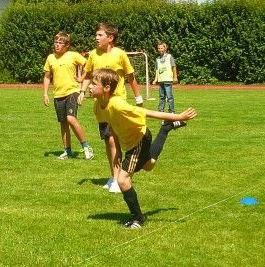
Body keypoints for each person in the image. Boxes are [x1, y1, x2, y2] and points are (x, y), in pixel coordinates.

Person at [89, 68, 197, 229]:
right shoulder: (98, 107)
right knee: (149, 165)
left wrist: (179, 116)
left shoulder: (118, 104)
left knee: (122, 180)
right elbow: (112, 126)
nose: (89, 86)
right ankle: (165, 129)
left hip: (139, 139)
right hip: (131, 143)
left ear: (106, 88)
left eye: (93, 83)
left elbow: (148, 112)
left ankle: (138, 219)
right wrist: (117, 151)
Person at [78, 22, 143, 193]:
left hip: (117, 104)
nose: (96, 38)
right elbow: (88, 76)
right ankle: (114, 176)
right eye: (96, 35)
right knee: (108, 140)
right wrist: (82, 91)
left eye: (100, 35)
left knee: (115, 140)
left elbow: (131, 77)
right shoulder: (93, 54)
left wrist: (139, 98)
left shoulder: (120, 54)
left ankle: (119, 177)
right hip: (102, 105)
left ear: (110, 37)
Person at [43, 32, 94, 160]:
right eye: (56, 42)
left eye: (60, 43)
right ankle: (67, 151)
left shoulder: (73, 55)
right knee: (63, 123)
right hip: (58, 95)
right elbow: (47, 76)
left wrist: (82, 79)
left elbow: (88, 66)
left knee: (71, 118)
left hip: (72, 91)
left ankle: (86, 146)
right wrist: (45, 93)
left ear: (67, 45)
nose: (57, 45)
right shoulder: (50, 58)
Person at [152, 41, 178, 113]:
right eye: (159, 48)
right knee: (162, 97)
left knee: (169, 97)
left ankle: (171, 110)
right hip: (161, 80)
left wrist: (175, 77)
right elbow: (157, 70)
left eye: (161, 48)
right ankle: (161, 110)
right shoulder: (157, 59)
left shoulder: (169, 57)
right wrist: (155, 79)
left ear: (165, 48)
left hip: (168, 80)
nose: (160, 50)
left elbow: (174, 67)